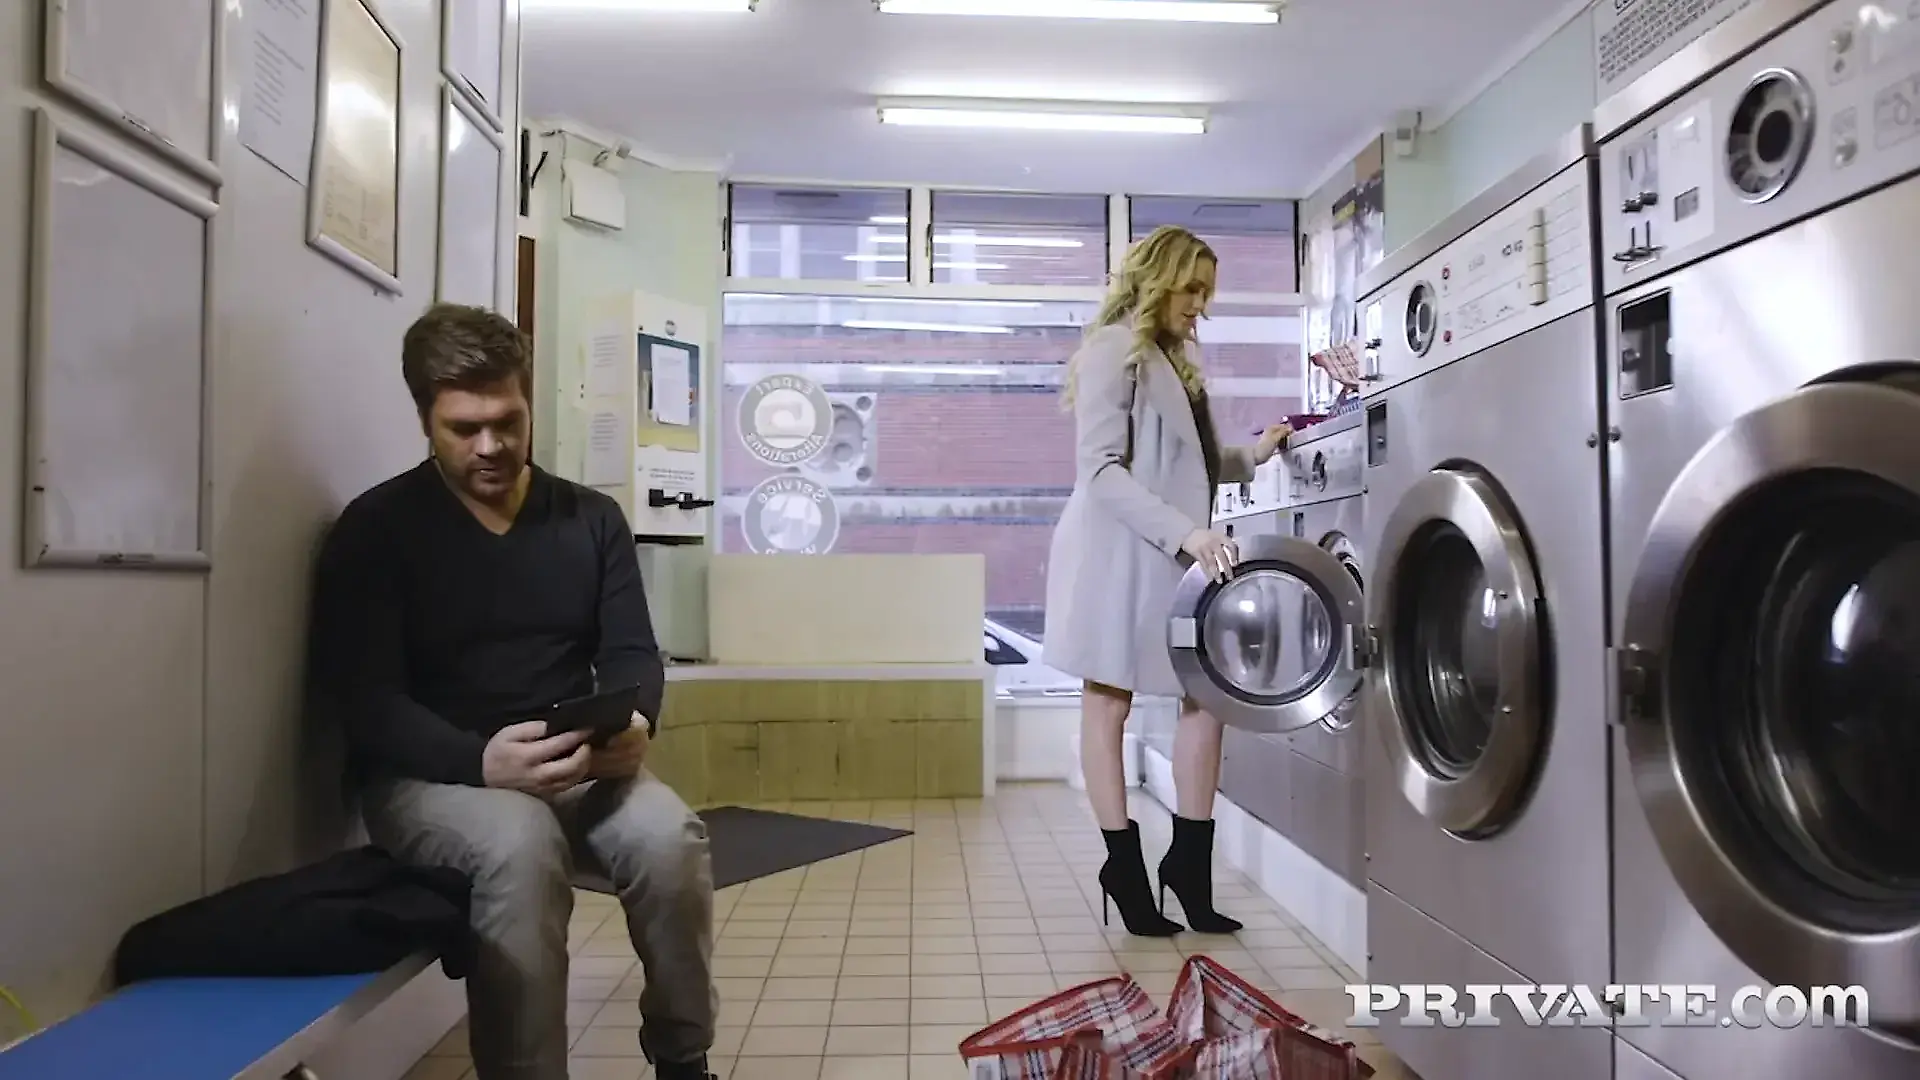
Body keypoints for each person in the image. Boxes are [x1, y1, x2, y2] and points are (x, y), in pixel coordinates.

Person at [307, 304, 717, 1080]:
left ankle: (682, 1057)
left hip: (575, 764)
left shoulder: (591, 520)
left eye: (507, 421)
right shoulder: (375, 530)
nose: (490, 446)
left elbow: (631, 652)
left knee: (671, 841)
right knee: (520, 845)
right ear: (425, 420)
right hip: (435, 778)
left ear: (528, 402)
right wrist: (479, 762)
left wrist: (633, 719)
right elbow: (365, 699)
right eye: (464, 429)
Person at [1043, 226, 1292, 937]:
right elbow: (1101, 470)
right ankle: (1123, 868)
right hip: (1115, 554)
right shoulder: (1113, 349)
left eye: (1207, 293)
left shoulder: (1171, 356)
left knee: (1205, 700)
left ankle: (1188, 865)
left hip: (1168, 551)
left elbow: (1190, 462)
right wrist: (1188, 533)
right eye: (1193, 289)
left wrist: (1256, 454)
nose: (1201, 306)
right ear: (1158, 280)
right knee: (1108, 703)